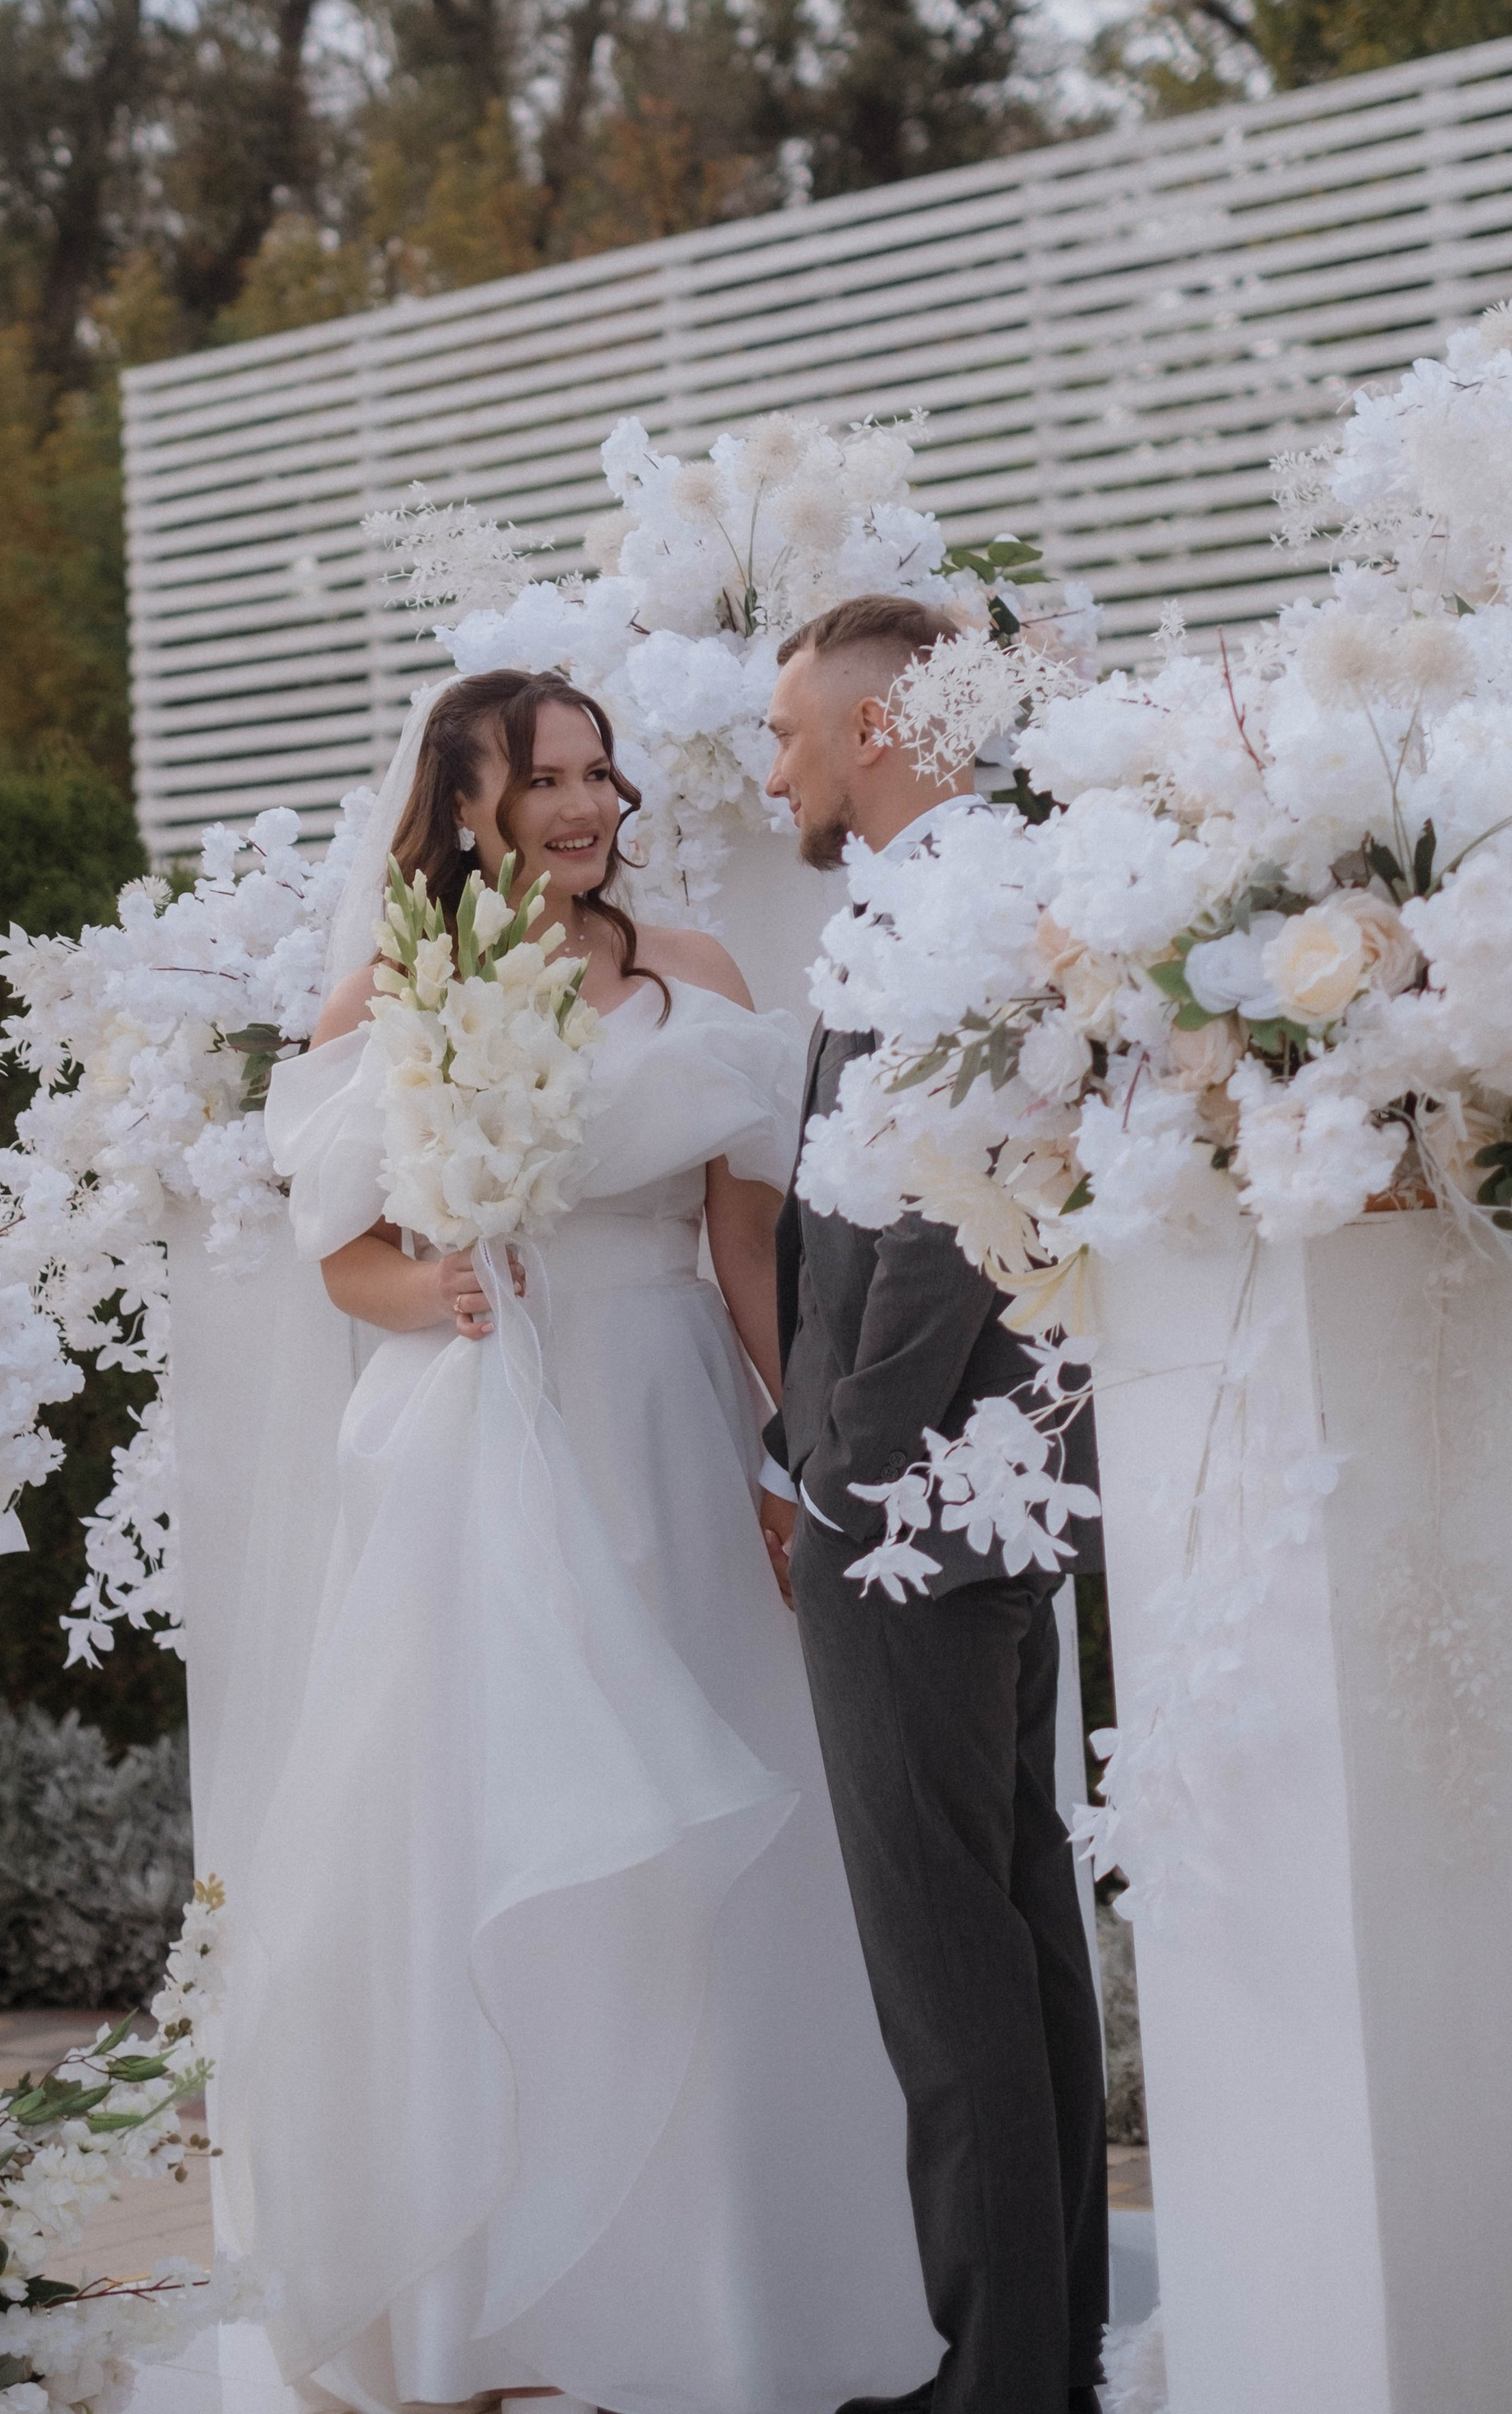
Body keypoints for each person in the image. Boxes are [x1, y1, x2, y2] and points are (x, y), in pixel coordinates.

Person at [216, 666, 934, 2414]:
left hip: (668, 1430)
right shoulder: (384, 995)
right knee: (490, 1848)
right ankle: (502, 2319)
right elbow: (344, 1261)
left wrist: (796, 1455)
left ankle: (716, 2293)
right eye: (544, 778)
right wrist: (435, 1280)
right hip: (467, 1453)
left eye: (599, 774)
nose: (585, 805)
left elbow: (748, 1251)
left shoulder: (690, 978)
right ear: (460, 800)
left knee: (723, 1844)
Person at [758, 597, 1109, 2414]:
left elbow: (934, 1224)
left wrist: (838, 1467)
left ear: (877, 733)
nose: (775, 763)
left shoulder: (954, 900)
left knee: (942, 1952)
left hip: (913, 1508)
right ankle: (1034, 2363)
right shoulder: (948, 884)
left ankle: (1003, 2385)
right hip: (980, 1492)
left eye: (789, 729)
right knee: (1010, 1922)